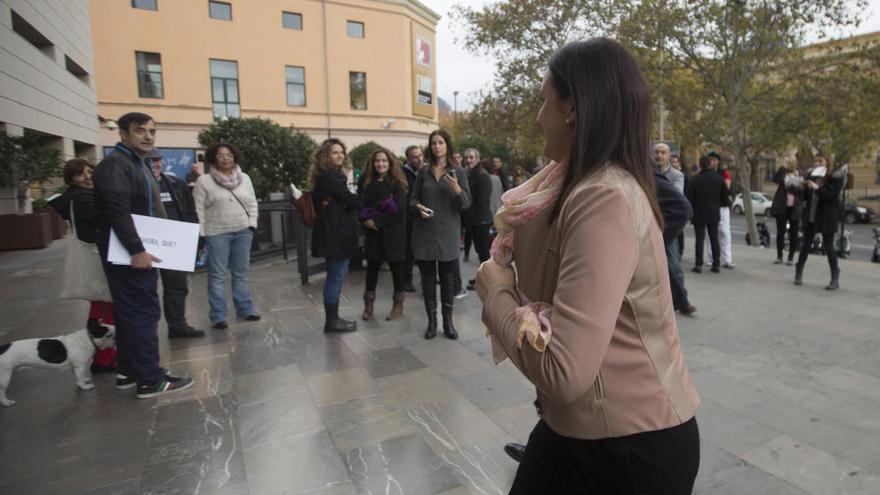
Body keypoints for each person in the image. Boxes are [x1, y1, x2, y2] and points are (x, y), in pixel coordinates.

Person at [476, 38, 699, 493]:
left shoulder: (603, 197)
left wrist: (495, 292)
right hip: (576, 431)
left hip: (627, 450)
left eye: (544, 101)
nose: (539, 116)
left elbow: (564, 371)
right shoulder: (570, 188)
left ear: (572, 107)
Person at [92, 111, 193, 398]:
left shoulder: (135, 163)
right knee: (142, 311)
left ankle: (129, 371)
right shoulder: (117, 165)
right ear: (124, 134)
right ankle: (150, 379)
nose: (148, 136)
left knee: (129, 313)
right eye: (140, 131)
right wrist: (136, 249)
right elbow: (117, 211)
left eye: (151, 131)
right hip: (131, 250)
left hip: (137, 246)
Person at [49, 159, 118, 373]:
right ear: (72, 179)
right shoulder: (83, 199)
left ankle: (102, 355)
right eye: (80, 175)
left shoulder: (76, 198)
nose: (87, 177)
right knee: (105, 308)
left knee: (101, 307)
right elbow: (105, 222)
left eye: (90, 172)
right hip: (97, 257)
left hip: (94, 256)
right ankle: (104, 357)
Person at [193, 142, 261, 330]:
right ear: (214, 158)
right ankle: (218, 316)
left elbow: (252, 202)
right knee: (217, 275)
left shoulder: (245, 178)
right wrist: (202, 233)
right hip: (217, 233)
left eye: (229, 155)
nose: (225, 159)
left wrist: (252, 224)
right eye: (221, 155)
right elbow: (198, 209)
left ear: (234, 157)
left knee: (241, 273)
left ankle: (246, 309)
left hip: (242, 231)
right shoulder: (204, 181)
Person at [410, 130, 471, 340]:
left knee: (447, 280)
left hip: (447, 233)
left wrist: (456, 188)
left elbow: (466, 204)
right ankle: (432, 322)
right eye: (434, 143)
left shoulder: (458, 172)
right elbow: (412, 200)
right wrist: (418, 207)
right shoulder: (423, 172)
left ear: (447, 145)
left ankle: (448, 323)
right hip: (424, 233)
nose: (437, 146)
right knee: (427, 281)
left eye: (441, 142)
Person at [145, 149, 204, 339]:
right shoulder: (136, 184)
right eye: (150, 161)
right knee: (146, 290)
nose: (155, 165)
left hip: (174, 243)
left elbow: (189, 210)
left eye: (157, 161)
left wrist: (194, 235)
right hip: (145, 244)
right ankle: (146, 331)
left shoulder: (175, 184)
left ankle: (177, 325)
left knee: (177, 287)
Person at [310, 138, 362, 332]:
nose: (340, 155)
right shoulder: (331, 177)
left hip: (334, 232)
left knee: (336, 276)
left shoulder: (330, 176)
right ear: (326, 156)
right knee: (335, 277)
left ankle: (334, 318)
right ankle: (332, 321)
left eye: (341, 152)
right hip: (335, 234)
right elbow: (349, 199)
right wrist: (368, 199)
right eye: (334, 152)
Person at [358, 147, 408, 321]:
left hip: (393, 233)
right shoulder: (366, 182)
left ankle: (398, 305)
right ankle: (368, 305)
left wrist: (376, 221)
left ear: (390, 163)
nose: (380, 164)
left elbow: (399, 210)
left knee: (396, 268)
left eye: (384, 161)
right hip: (373, 235)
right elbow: (361, 204)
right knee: (371, 268)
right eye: (377, 161)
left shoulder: (397, 183)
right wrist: (364, 219)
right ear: (373, 164)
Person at [655, 143, 696, 315]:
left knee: (672, 262)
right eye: (656, 152)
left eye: (663, 152)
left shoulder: (676, 175)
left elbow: (678, 199)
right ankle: (680, 301)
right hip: (654, 221)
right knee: (659, 261)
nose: (659, 155)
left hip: (666, 223)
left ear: (669, 155)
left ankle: (682, 299)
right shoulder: (651, 171)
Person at [795, 157, 844, 290]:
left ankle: (835, 277)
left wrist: (817, 188)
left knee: (829, 247)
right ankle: (798, 271)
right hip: (812, 215)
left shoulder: (836, 177)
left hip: (827, 216)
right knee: (805, 244)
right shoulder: (813, 175)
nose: (817, 164)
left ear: (828, 162)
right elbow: (805, 196)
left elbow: (830, 196)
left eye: (820, 161)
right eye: (816, 161)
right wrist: (800, 188)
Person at [687, 155, 726, 273]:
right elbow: (725, 196)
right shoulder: (719, 179)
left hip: (699, 212)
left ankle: (698, 264)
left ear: (700, 165)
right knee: (714, 238)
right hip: (714, 212)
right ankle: (716, 264)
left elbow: (688, 197)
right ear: (711, 164)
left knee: (699, 239)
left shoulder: (695, 179)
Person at [463, 148, 493, 291]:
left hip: (481, 220)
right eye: (467, 158)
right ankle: (482, 279)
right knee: (481, 252)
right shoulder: (471, 174)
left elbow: (482, 201)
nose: (468, 160)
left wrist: (475, 219)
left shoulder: (482, 175)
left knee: (483, 253)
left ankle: (486, 282)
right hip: (476, 220)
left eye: (471, 157)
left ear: (477, 159)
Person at [769, 153, 804, 265]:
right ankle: (779, 256)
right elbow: (775, 180)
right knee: (780, 232)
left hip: (795, 207)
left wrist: (792, 186)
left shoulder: (799, 174)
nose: (785, 161)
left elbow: (802, 192)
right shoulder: (782, 172)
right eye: (784, 160)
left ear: (792, 162)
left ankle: (790, 257)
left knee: (793, 233)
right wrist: (782, 167)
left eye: (787, 160)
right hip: (782, 206)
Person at [401, 145, 424, 293]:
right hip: (409, 217)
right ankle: (406, 280)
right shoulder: (403, 173)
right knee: (408, 251)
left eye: (420, 155)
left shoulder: (425, 171)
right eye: (415, 157)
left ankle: (426, 281)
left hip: (423, 216)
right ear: (408, 158)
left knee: (423, 251)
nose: (419, 159)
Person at [710, 151, 736, 269]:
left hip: (722, 206)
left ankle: (727, 259)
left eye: (714, 160)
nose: (712, 162)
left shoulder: (724, 173)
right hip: (710, 205)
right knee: (710, 233)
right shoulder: (706, 173)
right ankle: (712, 258)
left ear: (718, 161)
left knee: (725, 232)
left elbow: (727, 187)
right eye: (710, 160)